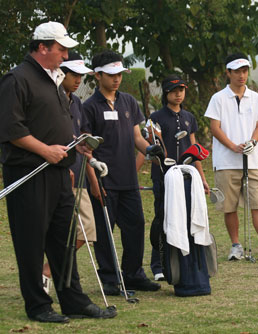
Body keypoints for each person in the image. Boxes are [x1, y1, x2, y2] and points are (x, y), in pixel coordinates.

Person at [0, 21, 116, 323]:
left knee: (63, 240)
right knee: (31, 241)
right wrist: (46, 151)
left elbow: (55, 124)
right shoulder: (17, 79)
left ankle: (73, 300)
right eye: (61, 48)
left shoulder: (54, 78)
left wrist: (72, 149)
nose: (65, 55)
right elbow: (11, 129)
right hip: (30, 173)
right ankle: (38, 306)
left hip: (59, 173)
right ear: (43, 47)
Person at [81, 50, 159, 295]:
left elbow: (137, 137)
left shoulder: (127, 102)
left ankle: (133, 274)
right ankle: (110, 279)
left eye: (120, 74)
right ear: (98, 75)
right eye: (112, 74)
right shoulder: (89, 107)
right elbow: (85, 150)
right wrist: (94, 183)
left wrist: (154, 153)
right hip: (103, 181)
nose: (117, 79)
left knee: (135, 226)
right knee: (105, 232)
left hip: (128, 180)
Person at [205, 52, 258, 261]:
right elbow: (215, 127)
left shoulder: (256, 98)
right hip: (225, 161)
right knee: (229, 206)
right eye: (237, 71)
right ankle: (236, 246)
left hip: (253, 161)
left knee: (257, 203)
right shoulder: (218, 98)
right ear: (228, 73)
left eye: (245, 71)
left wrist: (253, 142)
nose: (242, 75)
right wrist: (232, 146)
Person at [41, 51, 108, 293]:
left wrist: (93, 180)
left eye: (81, 75)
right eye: (73, 74)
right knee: (57, 231)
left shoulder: (77, 103)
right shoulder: (51, 98)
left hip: (78, 175)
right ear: (62, 73)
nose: (78, 79)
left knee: (87, 231)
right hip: (56, 175)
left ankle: (47, 271)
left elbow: (82, 145)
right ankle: (49, 277)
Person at [148, 74, 210, 280]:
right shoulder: (156, 117)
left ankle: (182, 262)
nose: (178, 94)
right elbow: (152, 147)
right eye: (174, 91)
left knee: (186, 219)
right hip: (164, 176)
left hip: (186, 176)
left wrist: (201, 178)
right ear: (166, 93)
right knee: (163, 218)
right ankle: (159, 265)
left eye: (181, 90)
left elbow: (194, 149)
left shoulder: (189, 117)